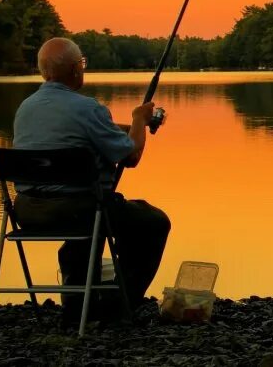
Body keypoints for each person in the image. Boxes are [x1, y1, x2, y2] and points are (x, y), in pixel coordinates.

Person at [12, 37, 170, 317]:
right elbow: (130, 157)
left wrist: (132, 126)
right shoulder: (87, 108)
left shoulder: (26, 108)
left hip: (28, 211)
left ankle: (76, 302)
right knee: (152, 222)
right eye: (82, 63)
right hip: (78, 211)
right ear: (75, 69)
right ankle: (118, 302)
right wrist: (138, 120)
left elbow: (91, 130)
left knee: (95, 211)